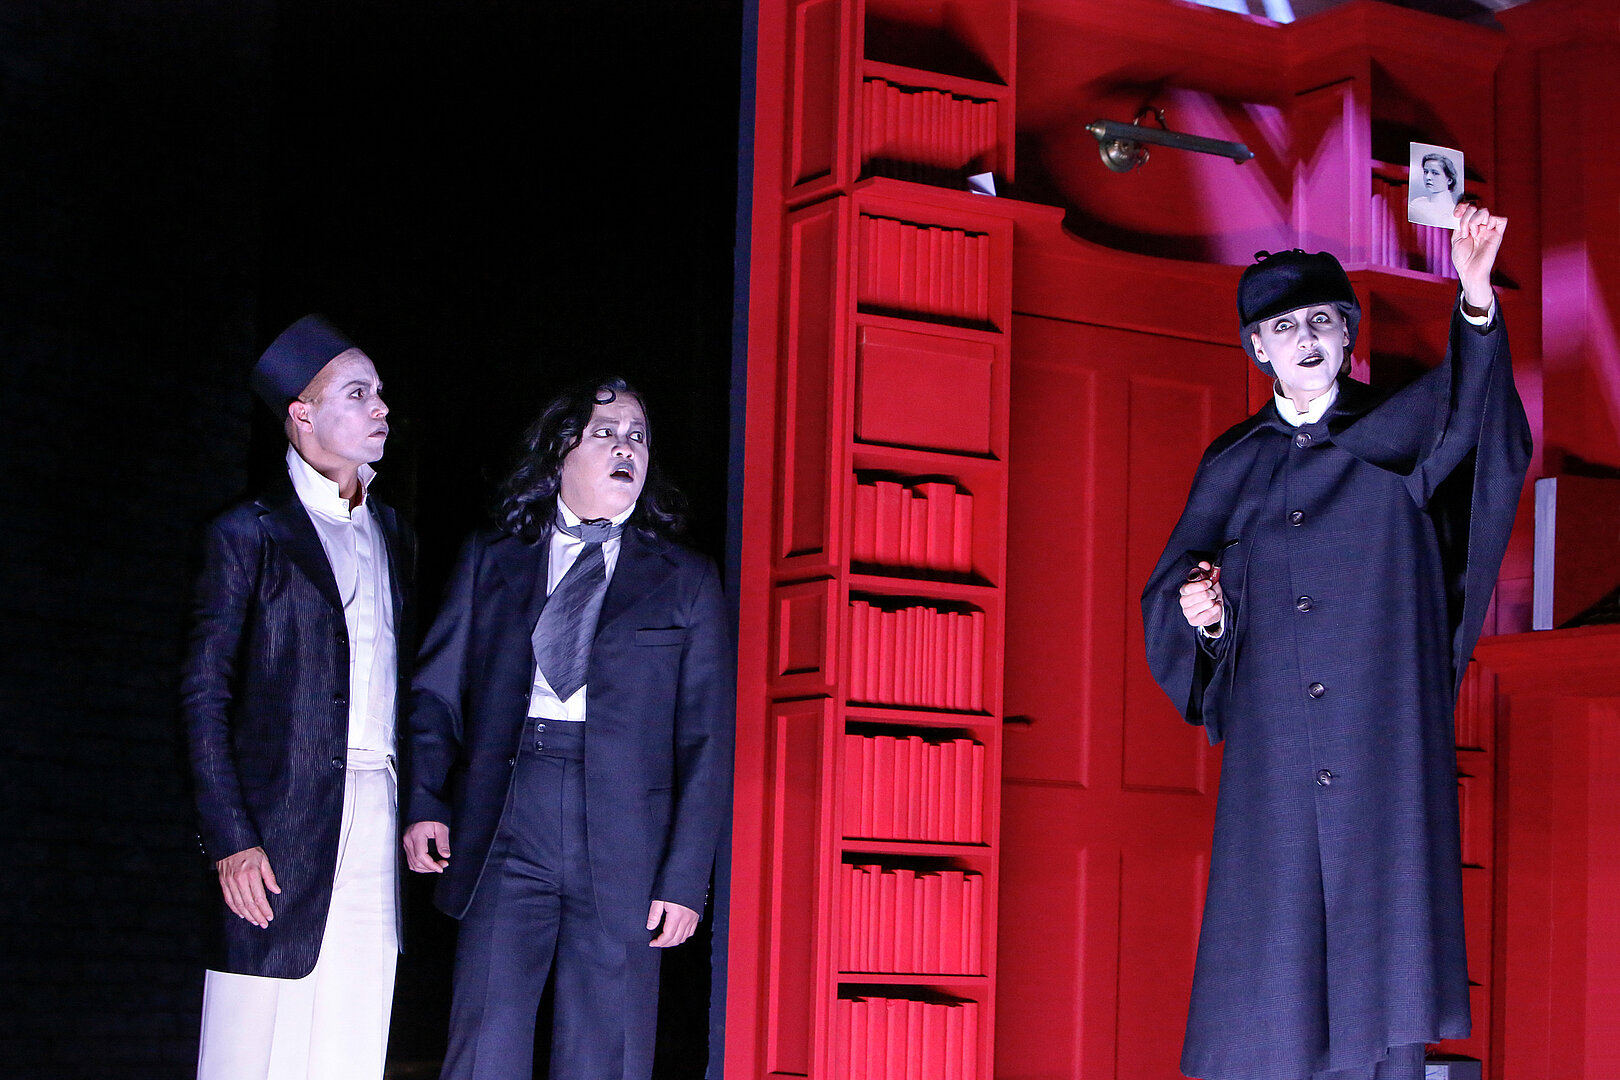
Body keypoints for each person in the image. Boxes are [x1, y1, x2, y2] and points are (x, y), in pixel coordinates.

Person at [1141, 204, 1529, 1080]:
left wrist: (1473, 299)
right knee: (1272, 973)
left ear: (1348, 335)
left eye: (1323, 320)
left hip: (1379, 743)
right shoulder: (1232, 460)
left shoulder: (1401, 434)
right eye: (1284, 327)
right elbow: (1177, 602)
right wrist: (1206, 617)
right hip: (1277, 757)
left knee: (1381, 965)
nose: (1307, 339)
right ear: (1258, 348)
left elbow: (1476, 418)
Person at [404, 377, 734, 1080]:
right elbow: (436, 691)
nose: (626, 449)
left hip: (626, 836)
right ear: (560, 452)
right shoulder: (493, 555)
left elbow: (707, 743)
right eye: (605, 433)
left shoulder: (685, 578)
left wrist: (685, 878)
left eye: (638, 437)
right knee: (483, 1042)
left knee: (606, 1053)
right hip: (507, 812)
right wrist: (427, 798)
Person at [182, 315, 414, 1079]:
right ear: (303, 415)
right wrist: (230, 838)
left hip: (376, 810)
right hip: (276, 825)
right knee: (251, 1043)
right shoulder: (247, 532)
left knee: (353, 1039)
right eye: (358, 393)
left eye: (379, 392)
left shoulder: (393, 534)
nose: (380, 407)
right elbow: (204, 694)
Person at [1409, 152, 1460, 228]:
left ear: (1449, 180)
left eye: (1435, 173)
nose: (1428, 177)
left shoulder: (1454, 212)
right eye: (1426, 172)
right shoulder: (1416, 204)